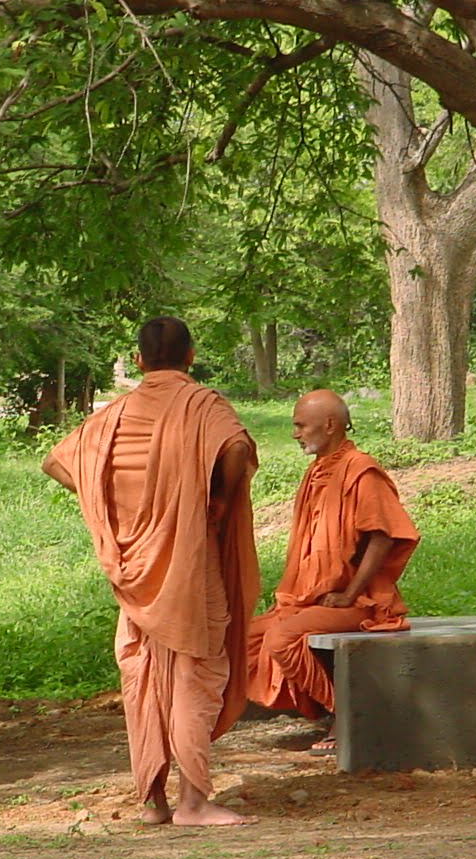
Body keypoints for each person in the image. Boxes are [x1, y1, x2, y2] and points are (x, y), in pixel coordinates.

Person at [42, 317, 260, 826]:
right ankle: (193, 801)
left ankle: (153, 800)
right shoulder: (203, 406)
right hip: (186, 562)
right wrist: (221, 501)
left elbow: (56, 462)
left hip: (132, 567)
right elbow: (236, 449)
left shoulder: (113, 415)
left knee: (143, 673)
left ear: (138, 361)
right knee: (193, 672)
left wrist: (108, 506)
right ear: (190, 355)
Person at [247, 389, 419, 755]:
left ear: (329, 425)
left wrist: (350, 594)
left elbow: (382, 537)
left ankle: (346, 715)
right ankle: (319, 711)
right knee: (242, 638)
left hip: (361, 601)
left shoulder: (361, 471)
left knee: (280, 640)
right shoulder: (316, 473)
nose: (295, 434)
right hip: (314, 598)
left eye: (300, 425)